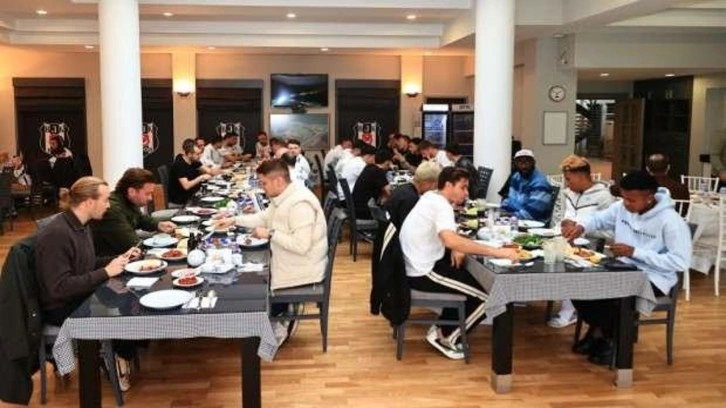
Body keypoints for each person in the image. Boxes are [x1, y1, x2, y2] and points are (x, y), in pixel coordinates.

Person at [562, 171, 691, 365]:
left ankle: (612, 341)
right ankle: (599, 331)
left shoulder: (671, 221)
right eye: (624, 198)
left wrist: (635, 252)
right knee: (579, 284)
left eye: (631, 200)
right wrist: (581, 227)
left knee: (611, 296)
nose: (626, 204)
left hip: (654, 277)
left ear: (649, 198)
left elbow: (680, 262)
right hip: (622, 267)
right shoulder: (622, 207)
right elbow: (598, 219)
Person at [35, 177, 142, 390]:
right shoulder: (57, 234)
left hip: (79, 293)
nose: (109, 205)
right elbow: (59, 288)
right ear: (88, 202)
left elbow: (87, 263)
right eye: (105, 200)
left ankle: (120, 355)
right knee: (127, 307)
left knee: (134, 296)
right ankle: (115, 358)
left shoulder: (81, 226)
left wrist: (119, 259)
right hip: (62, 306)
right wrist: (106, 272)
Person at [400, 167, 518, 359]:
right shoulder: (442, 206)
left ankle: (442, 328)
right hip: (422, 271)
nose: (466, 193)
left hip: (415, 263)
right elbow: (449, 240)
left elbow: (449, 237)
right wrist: (498, 252)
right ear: (448, 185)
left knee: (468, 280)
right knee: (488, 297)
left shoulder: (431, 196)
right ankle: (446, 338)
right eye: (463, 187)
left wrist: (456, 245)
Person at [214, 159, 327, 346]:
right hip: (293, 260)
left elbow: (301, 246)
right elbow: (264, 217)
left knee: (248, 278)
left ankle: (278, 323)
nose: (262, 187)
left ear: (279, 181)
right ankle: (260, 322)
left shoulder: (300, 204)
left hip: (303, 268)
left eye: (264, 183)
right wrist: (234, 220)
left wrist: (270, 233)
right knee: (248, 272)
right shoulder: (284, 196)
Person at [548, 155, 615, 329]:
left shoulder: (604, 197)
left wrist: (581, 228)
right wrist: (564, 224)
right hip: (568, 242)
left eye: (569, 179)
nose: (567, 183)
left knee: (566, 262)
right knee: (546, 255)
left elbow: (610, 231)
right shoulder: (569, 193)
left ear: (581, 176)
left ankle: (570, 310)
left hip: (593, 247)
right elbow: (562, 218)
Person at [91, 168, 177, 257]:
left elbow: (141, 219)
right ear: (131, 191)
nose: (150, 198)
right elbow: (132, 245)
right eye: (147, 194)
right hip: (113, 260)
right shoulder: (112, 210)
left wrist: (158, 225)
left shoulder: (127, 200)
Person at [501, 149, 553, 222]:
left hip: (535, 223)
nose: (524, 166)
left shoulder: (540, 183)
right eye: (520, 162)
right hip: (517, 219)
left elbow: (531, 214)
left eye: (527, 162)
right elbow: (509, 201)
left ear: (533, 163)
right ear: (515, 164)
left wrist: (509, 215)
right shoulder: (516, 177)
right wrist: (503, 211)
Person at [386, 161, 440, 230]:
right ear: (427, 183)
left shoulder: (403, 188)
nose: (434, 189)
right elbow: (409, 229)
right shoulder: (411, 199)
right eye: (435, 186)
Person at [167, 139, 215, 206]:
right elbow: (186, 186)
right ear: (189, 154)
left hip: (193, 196)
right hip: (182, 201)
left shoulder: (194, 161)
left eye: (200, 153)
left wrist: (220, 169)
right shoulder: (179, 164)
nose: (200, 156)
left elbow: (209, 171)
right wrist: (201, 177)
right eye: (197, 154)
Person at [352, 149, 393, 220]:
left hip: (357, 207)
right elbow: (389, 192)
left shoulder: (369, 167)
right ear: (387, 162)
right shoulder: (378, 172)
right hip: (365, 211)